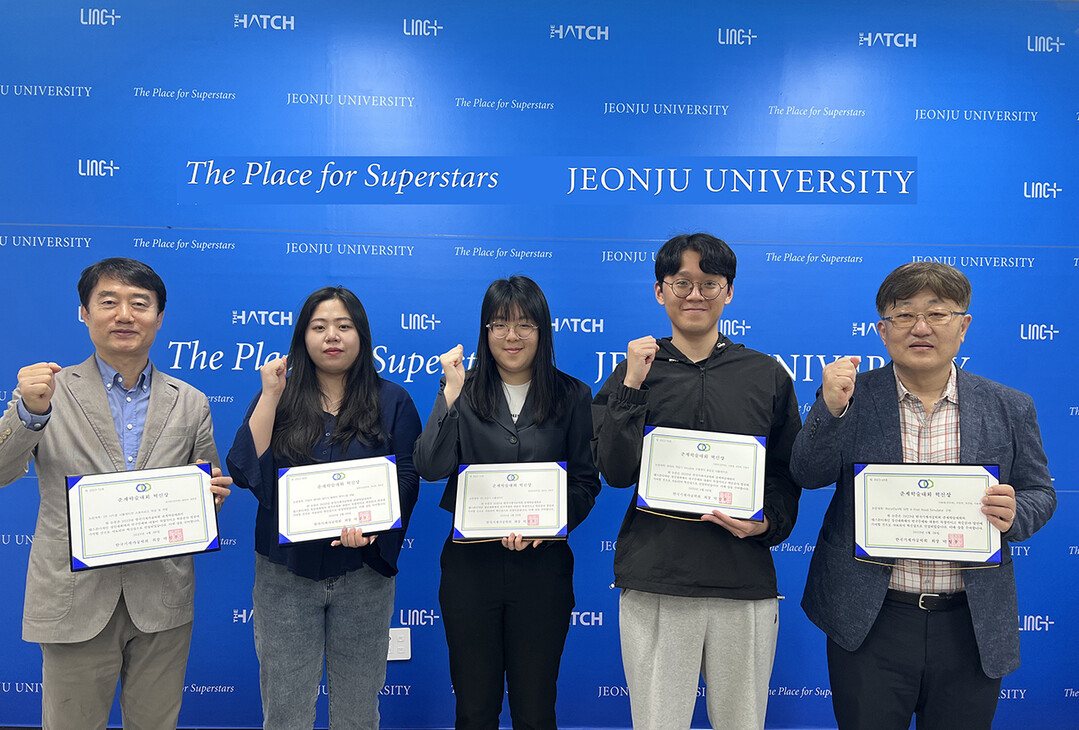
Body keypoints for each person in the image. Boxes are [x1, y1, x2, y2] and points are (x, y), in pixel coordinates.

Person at [792, 262, 1056, 729]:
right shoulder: (850, 396)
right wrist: (830, 410)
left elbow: (1041, 492)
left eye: (936, 314)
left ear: (963, 325)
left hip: (970, 624)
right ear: (882, 330)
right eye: (903, 315)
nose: (920, 327)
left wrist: (1016, 512)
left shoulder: (1009, 406)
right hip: (871, 619)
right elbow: (807, 474)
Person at [0, 257, 232, 730]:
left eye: (139, 303)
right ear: (85, 313)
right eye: (109, 302)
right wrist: (29, 413)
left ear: (159, 317)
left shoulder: (190, 401)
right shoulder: (46, 392)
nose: (125, 315)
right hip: (74, 599)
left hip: (161, 598)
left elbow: (206, 488)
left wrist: (208, 499)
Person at [592, 233, 801, 730]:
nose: (695, 295)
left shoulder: (765, 374)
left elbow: (787, 471)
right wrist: (632, 386)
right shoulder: (633, 371)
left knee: (742, 723)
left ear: (729, 292)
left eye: (709, 283)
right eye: (681, 282)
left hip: (742, 579)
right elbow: (616, 472)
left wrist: (768, 523)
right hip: (658, 578)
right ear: (659, 291)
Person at [226, 286, 421, 730]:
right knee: (286, 710)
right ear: (303, 337)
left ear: (361, 335)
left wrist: (377, 525)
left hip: (363, 574)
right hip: (285, 574)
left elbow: (407, 476)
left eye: (343, 326)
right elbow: (243, 468)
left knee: (358, 710)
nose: (332, 336)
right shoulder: (279, 395)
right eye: (319, 327)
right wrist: (270, 395)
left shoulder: (393, 400)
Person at [413, 275, 600, 730]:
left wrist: (549, 524)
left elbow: (585, 482)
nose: (511, 336)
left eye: (524, 324)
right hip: (470, 569)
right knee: (474, 710)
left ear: (542, 330)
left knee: (535, 710)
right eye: (499, 324)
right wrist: (450, 393)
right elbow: (430, 466)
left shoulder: (573, 395)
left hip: (542, 569)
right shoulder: (462, 388)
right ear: (486, 330)